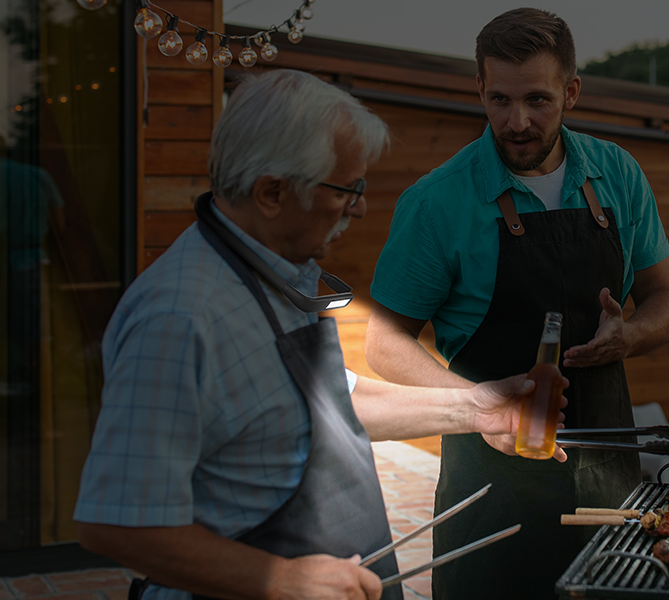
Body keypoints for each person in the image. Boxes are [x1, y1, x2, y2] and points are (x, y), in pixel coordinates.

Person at [74, 69, 561, 600]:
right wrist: (277, 578)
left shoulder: (277, 270)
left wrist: (474, 409)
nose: (360, 207)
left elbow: (332, 401)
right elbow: (117, 524)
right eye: (345, 189)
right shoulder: (178, 317)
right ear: (271, 192)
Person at [365, 8, 669, 599]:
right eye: (500, 101)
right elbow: (383, 343)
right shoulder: (436, 202)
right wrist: (477, 406)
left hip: (610, 483)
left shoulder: (617, 173)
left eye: (538, 100)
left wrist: (631, 336)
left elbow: (668, 300)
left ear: (572, 91)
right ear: (480, 89)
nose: (517, 122)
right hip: (491, 491)